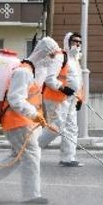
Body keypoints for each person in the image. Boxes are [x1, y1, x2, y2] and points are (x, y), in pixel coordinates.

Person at [0, 54, 47, 204]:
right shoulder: (23, 72)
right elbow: (16, 99)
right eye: (52, 57)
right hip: (18, 122)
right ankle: (31, 195)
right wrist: (34, 114)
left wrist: (38, 117)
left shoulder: (32, 72)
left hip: (22, 121)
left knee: (18, 156)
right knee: (31, 155)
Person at [37, 32, 82, 167]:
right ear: (68, 42)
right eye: (74, 41)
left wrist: (79, 98)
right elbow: (49, 78)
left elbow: (78, 82)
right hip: (56, 98)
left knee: (71, 128)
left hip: (70, 99)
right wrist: (62, 88)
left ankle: (68, 158)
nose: (77, 44)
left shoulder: (75, 60)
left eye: (79, 42)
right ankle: (30, 149)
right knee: (55, 127)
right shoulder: (61, 57)